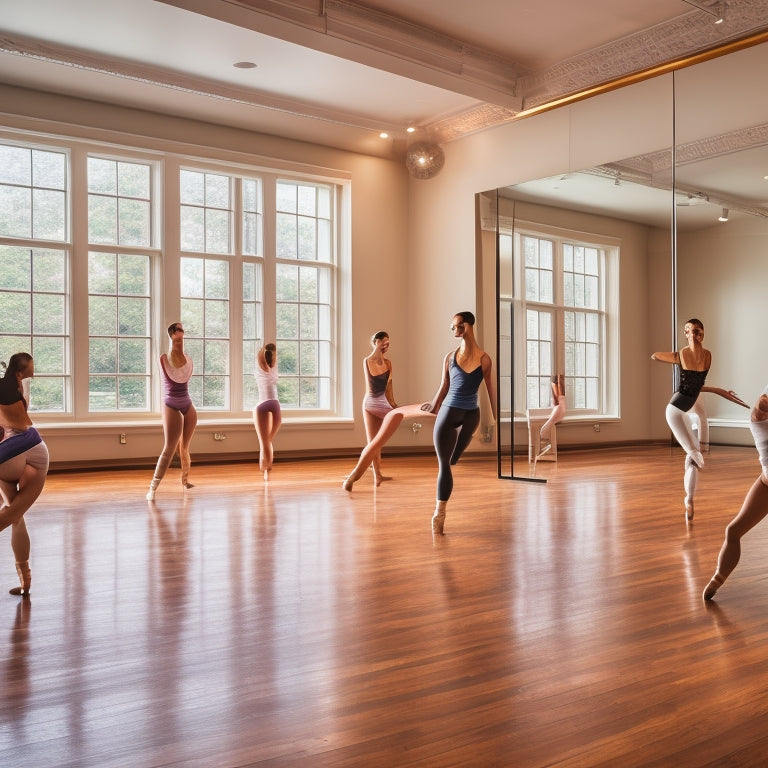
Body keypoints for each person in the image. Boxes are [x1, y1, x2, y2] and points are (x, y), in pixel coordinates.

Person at [651, 318, 747, 522]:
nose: (693, 335)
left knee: (693, 460)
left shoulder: (707, 356)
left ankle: (689, 500)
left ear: (703, 333)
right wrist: (673, 357)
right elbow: (655, 356)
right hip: (675, 411)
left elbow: (697, 386)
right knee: (696, 454)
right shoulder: (682, 355)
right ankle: (691, 478)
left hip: (690, 410)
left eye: (697, 331)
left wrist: (720, 391)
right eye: (688, 331)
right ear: (685, 334)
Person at [423, 311, 496, 535]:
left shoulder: (484, 359)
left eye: (456, 325)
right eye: (452, 326)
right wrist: (434, 406)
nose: (453, 329)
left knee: (453, 460)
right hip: (449, 411)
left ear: (467, 325)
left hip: (471, 414)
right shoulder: (449, 357)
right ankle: (439, 514)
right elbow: (443, 386)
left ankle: (465, 436)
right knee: (445, 465)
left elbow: (490, 389)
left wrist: (497, 417)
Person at [703, 389, 768, 601]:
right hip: (766, 484)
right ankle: (718, 578)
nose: (763, 405)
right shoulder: (757, 420)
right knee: (733, 531)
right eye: (762, 402)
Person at [0, 353, 50, 597]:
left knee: (12, 515)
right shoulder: (16, 388)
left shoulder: (9, 387)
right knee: (15, 516)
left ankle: (25, 581)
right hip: (36, 450)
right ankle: (25, 582)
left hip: (13, 453)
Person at [146, 322, 198, 501]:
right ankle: (153, 487)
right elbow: (173, 353)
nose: (181, 331)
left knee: (184, 447)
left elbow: (181, 358)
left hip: (187, 402)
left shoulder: (189, 360)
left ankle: (185, 481)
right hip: (171, 403)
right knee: (169, 448)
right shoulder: (163, 359)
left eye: (182, 328)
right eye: (177, 329)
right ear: (172, 334)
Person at [362, 331, 398, 485]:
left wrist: (393, 404)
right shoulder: (367, 361)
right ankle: (377, 475)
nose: (387, 346)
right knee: (373, 442)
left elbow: (389, 386)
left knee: (379, 443)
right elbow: (371, 386)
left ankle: (377, 472)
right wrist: (378, 351)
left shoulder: (389, 363)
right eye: (384, 342)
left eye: (389, 343)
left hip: (383, 402)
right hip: (370, 403)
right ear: (377, 341)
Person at [253, 342, 281, 482]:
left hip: (262, 404)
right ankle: (267, 468)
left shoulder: (260, 367)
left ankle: (265, 469)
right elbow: (270, 356)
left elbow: (260, 355)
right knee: (269, 440)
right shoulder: (274, 368)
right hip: (275, 405)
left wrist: (262, 347)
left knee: (263, 442)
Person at [536, 373, 566, 459]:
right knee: (559, 399)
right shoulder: (558, 413)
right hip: (558, 409)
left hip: (558, 409)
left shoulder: (558, 412)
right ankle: (556, 378)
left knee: (559, 399)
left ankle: (556, 379)